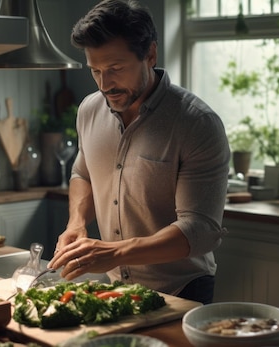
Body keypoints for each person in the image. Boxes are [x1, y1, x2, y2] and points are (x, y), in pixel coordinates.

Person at [47, 0, 230, 304]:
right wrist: (76, 223)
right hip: (116, 288)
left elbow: (200, 230)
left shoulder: (196, 123)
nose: (105, 84)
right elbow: (83, 172)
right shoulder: (89, 109)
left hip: (182, 289)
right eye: (96, 71)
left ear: (150, 55)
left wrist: (116, 252)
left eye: (116, 69)